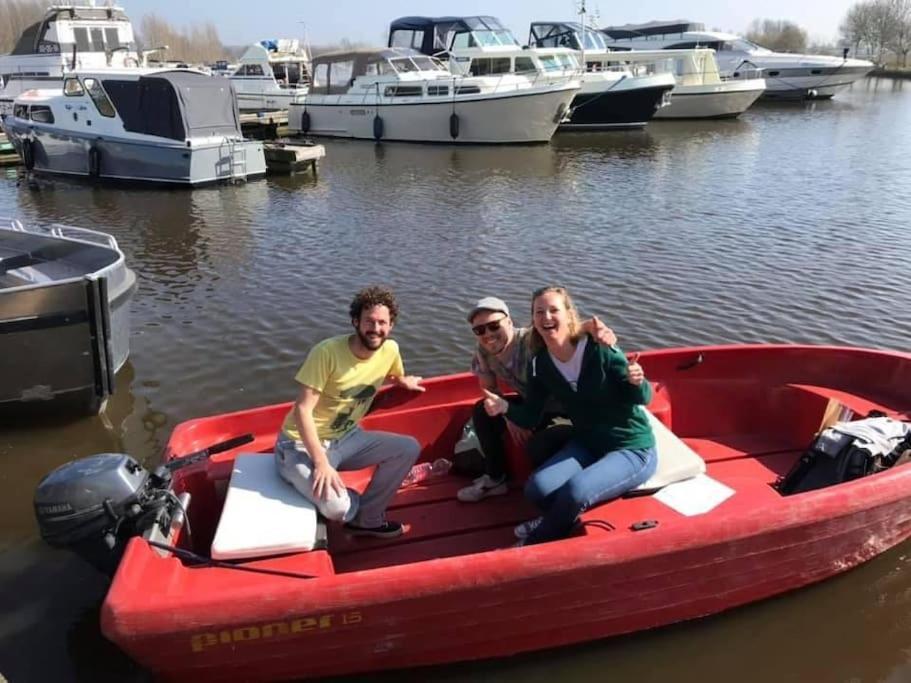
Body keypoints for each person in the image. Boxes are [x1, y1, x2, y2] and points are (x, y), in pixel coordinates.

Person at [482, 286, 656, 546]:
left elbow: (643, 398)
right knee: (536, 488)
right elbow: (530, 417)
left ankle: (536, 542)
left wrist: (637, 381)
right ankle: (560, 519)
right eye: (539, 312)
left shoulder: (599, 349)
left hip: (631, 446)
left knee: (576, 491)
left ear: (569, 314)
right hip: (588, 442)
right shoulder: (541, 364)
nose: (546, 317)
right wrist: (504, 407)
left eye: (554, 310)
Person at [274, 286, 425, 539]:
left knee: (408, 448)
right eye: (369, 322)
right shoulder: (326, 353)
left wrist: (402, 381)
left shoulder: (390, 350)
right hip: (299, 445)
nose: (375, 329)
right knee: (337, 507)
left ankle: (368, 519)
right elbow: (302, 410)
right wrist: (321, 462)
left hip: (348, 437)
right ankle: (347, 503)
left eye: (382, 323)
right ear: (356, 321)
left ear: (391, 326)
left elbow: (391, 373)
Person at [457, 296, 618, 503]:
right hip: (532, 407)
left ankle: (562, 489)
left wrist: (596, 329)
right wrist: (510, 417)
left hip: (567, 410)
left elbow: (569, 330)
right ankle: (496, 479)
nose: (488, 334)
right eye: (480, 330)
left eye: (494, 325)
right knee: (482, 410)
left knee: (541, 444)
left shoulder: (532, 340)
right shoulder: (483, 351)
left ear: (509, 322)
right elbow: (489, 390)